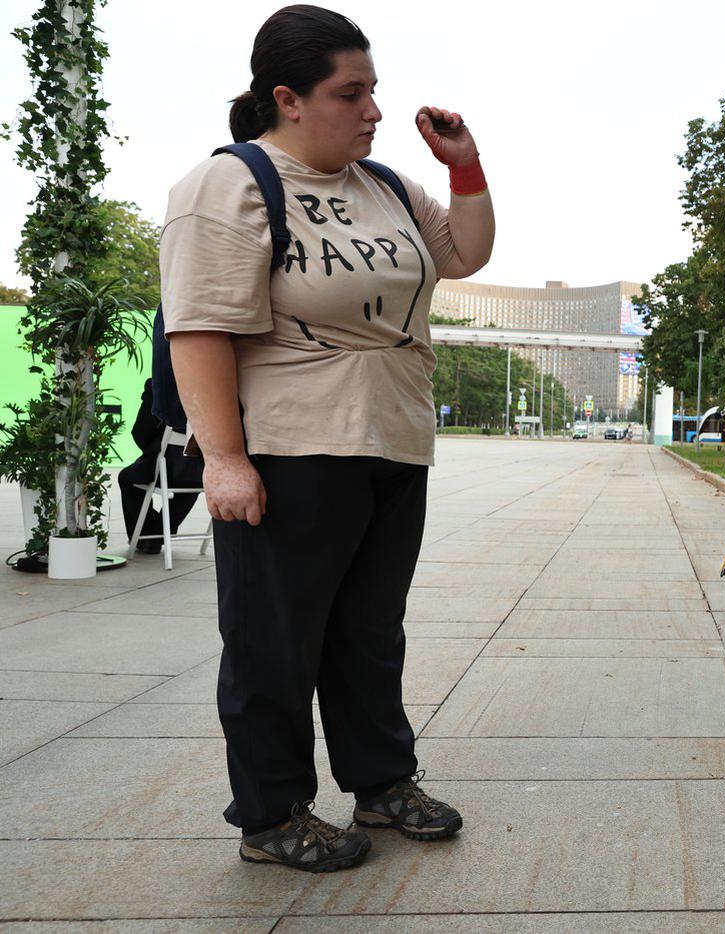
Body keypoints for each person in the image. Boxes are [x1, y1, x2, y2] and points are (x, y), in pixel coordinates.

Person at [160, 4, 494, 873]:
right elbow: (198, 327)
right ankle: (272, 814)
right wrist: (225, 459)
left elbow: (464, 255)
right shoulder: (230, 184)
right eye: (351, 94)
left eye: (374, 90)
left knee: (371, 633)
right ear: (288, 98)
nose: (373, 110)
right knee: (275, 641)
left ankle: (381, 782)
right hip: (289, 448)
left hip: (393, 439)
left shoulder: (383, 186)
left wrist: (463, 167)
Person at [117, 379, 204, 554]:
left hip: (166, 466)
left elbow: (141, 432)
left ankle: (148, 537)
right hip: (203, 470)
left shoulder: (160, 384)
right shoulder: (215, 385)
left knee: (127, 478)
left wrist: (156, 447)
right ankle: (157, 533)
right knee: (190, 478)